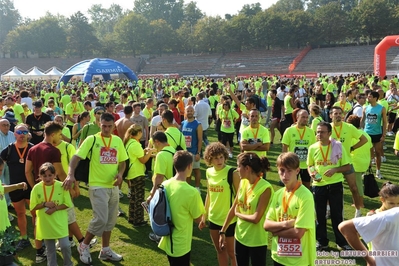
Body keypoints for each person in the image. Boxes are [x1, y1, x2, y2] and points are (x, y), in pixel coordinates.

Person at [63, 113, 128, 264]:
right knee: (100, 219)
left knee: (110, 220)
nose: (106, 129)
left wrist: (120, 174)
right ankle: (84, 245)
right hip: (97, 185)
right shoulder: (92, 139)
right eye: (103, 125)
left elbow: (123, 161)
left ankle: (105, 250)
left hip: (113, 186)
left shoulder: (117, 140)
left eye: (109, 126)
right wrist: (70, 174)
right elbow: (75, 157)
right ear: (99, 124)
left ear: (113, 126)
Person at [219, 152, 273, 266]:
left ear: (247, 168)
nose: (237, 169)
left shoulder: (265, 188)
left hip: (257, 240)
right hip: (240, 237)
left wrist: (238, 214)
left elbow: (256, 218)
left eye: (239, 166)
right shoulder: (243, 182)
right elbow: (234, 207)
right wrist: (223, 231)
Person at [25, 121, 67, 263]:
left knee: (37, 222)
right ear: (53, 135)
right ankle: (73, 244)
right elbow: (60, 173)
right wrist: (72, 186)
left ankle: (39, 252)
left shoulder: (32, 149)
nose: (60, 138)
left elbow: (27, 171)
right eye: (60, 135)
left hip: (38, 192)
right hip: (53, 191)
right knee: (62, 219)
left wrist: (35, 187)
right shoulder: (54, 150)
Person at [307, 121, 352, 251]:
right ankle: (322, 242)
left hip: (335, 185)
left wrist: (335, 170)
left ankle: (342, 242)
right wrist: (312, 173)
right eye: (318, 131)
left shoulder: (338, 146)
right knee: (319, 216)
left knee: (337, 215)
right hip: (318, 185)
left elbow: (348, 166)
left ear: (329, 133)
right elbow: (310, 165)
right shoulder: (313, 147)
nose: (319, 134)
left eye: (322, 132)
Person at [265, 152, 316, 266]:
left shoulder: (305, 196)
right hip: (278, 257)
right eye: (282, 170)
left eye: (289, 171)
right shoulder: (278, 194)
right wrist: (287, 224)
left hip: (299, 261)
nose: (285, 175)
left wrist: (276, 231)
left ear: (297, 171)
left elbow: (298, 233)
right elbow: (266, 225)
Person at [158, 150, 205, 266]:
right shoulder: (192, 192)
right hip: (181, 243)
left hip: (168, 238)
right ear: (189, 166)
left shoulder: (165, 184)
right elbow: (198, 218)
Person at [199, 143, 240, 266]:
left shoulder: (233, 172)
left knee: (232, 253)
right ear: (209, 159)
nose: (219, 160)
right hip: (213, 218)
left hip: (229, 220)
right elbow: (209, 194)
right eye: (216, 158)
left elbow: (239, 198)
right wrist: (204, 215)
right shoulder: (208, 172)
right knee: (219, 250)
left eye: (221, 157)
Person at [30, 163, 73, 266]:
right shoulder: (36, 188)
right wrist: (44, 204)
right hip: (46, 223)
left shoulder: (61, 186)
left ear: (55, 175)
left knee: (65, 246)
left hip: (59, 222)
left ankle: (68, 264)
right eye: (44, 176)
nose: (47, 178)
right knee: (50, 249)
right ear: (40, 176)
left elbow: (67, 204)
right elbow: (32, 207)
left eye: (50, 175)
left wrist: (55, 208)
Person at [0, 124, 34, 250]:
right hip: (15, 187)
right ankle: (24, 239)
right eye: (19, 132)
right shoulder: (8, 150)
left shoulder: (32, 149)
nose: (22, 134)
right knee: (20, 213)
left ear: (28, 134)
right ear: (14, 134)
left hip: (31, 186)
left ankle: (39, 240)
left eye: (25, 132)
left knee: (36, 215)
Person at [123, 124, 154, 226]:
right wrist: (149, 153)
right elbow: (143, 160)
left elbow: (137, 155)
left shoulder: (129, 142)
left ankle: (132, 218)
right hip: (137, 174)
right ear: (139, 133)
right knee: (139, 198)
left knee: (133, 197)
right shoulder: (136, 144)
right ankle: (138, 220)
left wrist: (144, 151)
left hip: (131, 174)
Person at [282, 110, 316, 189]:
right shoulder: (289, 130)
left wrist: (313, 165)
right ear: (297, 117)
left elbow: (314, 149)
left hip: (306, 165)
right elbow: (284, 147)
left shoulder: (310, 132)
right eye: (303, 117)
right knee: (291, 186)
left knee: (307, 187)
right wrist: (284, 163)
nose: (305, 119)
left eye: (307, 117)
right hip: (292, 165)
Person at [346, 115, 372, 217]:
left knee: (357, 184)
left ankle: (360, 203)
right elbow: (371, 149)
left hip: (355, 162)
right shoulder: (366, 135)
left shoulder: (352, 136)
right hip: (365, 161)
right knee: (358, 183)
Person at [361, 90, 387, 179]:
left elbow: (384, 122)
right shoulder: (365, 108)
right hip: (367, 133)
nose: (368, 98)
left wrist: (384, 135)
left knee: (378, 153)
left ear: (375, 98)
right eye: (368, 96)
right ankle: (367, 170)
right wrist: (360, 130)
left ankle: (378, 171)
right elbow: (362, 120)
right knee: (368, 154)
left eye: (370, 96)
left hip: (377, 134)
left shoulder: (382, 108)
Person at [0, 158, 28, 233]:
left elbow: (2, 189)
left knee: (8, 243)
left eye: (1, 170)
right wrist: (17, 186)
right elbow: (2, 189)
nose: (0, 173)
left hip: (3, 219)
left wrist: (17, 186)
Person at [181, 106, 202, 191]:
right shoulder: (183, 123)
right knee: (187, 172)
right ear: (185, 112)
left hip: (194, 151)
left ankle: (197, 188)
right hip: (185, 152)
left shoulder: (198, 124)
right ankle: (188, 188)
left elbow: (200, 139)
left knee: (196, 170)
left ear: (193, 112)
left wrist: (198, 153)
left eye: (191, 111)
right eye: (188, 111)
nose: (189, 112)